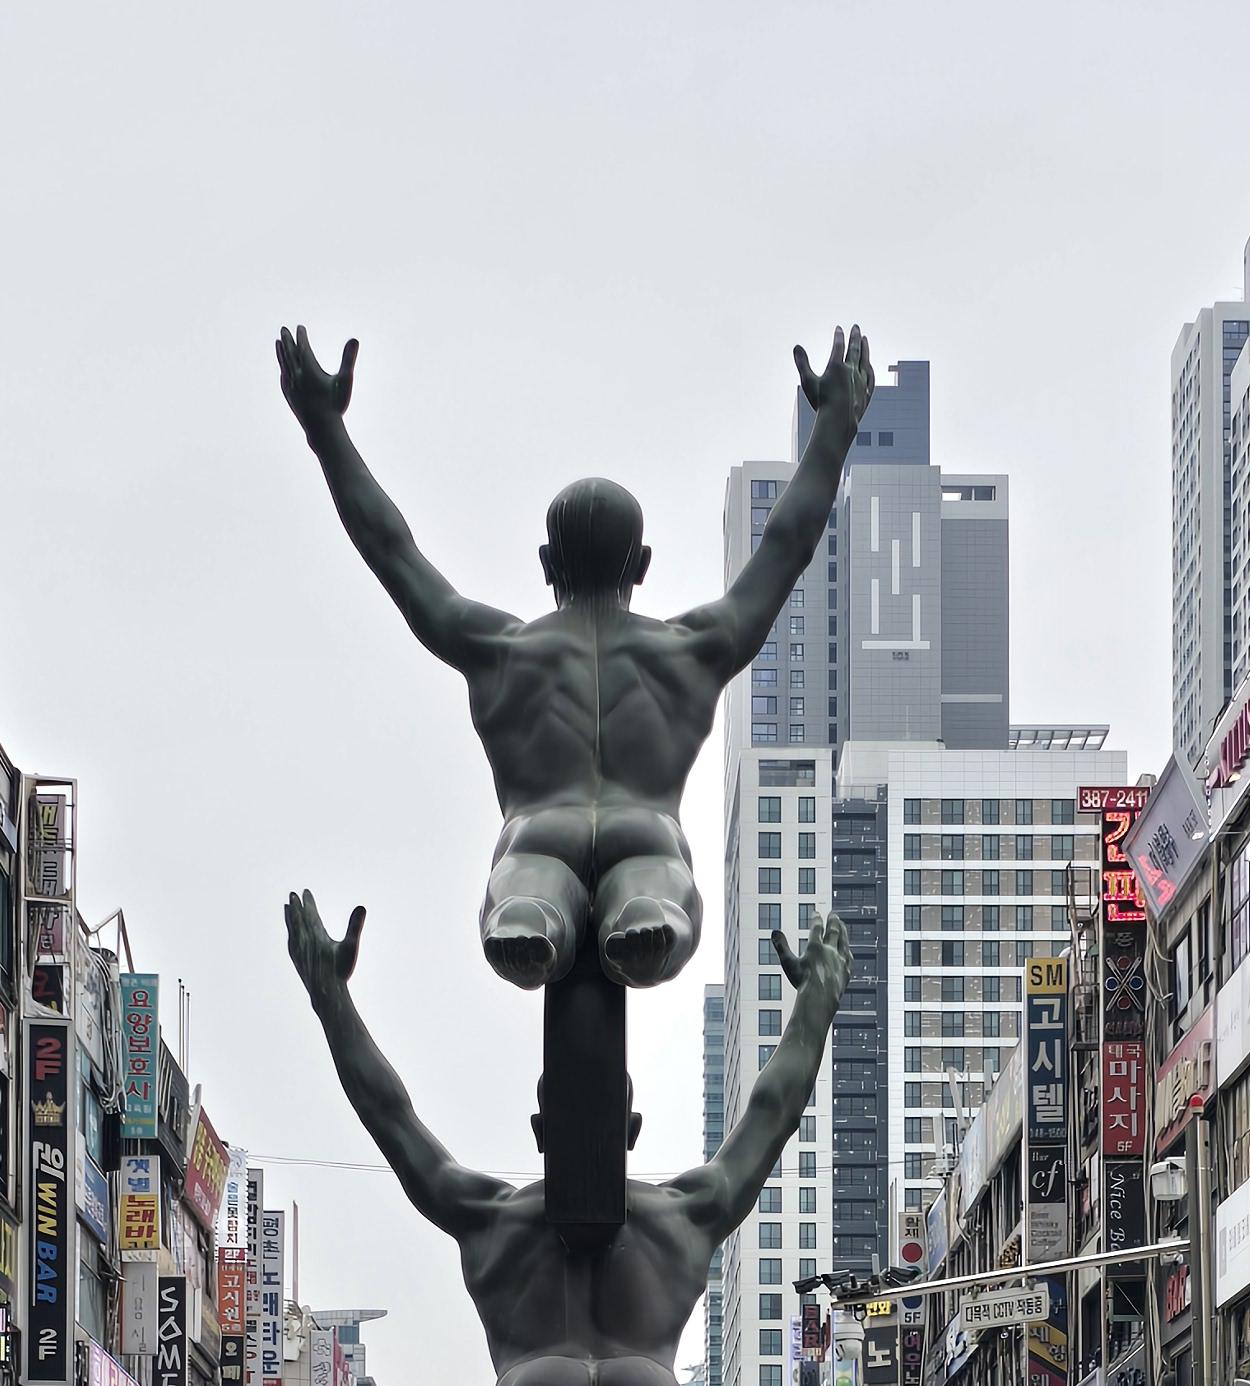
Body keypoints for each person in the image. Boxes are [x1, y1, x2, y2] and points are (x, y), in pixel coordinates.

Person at [276, 322, 876, 994]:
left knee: (522, 882)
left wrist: (325, 430)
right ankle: (647, 910)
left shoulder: (499, 649)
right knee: (660, 887)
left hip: (539, 830)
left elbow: (393, 552)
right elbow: (785, 547)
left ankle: (529, 912)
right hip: (646, 830)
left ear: (545, 563)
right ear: (642, 564)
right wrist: (834, 429)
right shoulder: (693, 649)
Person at [285, 890, 844, 1386]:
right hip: (647, 1381)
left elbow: (392, 1117)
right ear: (631, 1129)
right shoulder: (685, 1214)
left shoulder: (490, 1217)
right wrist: (816, 1003)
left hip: (533, 1380)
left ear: (538, 1129)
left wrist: (331, 999)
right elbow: (771, 1113)